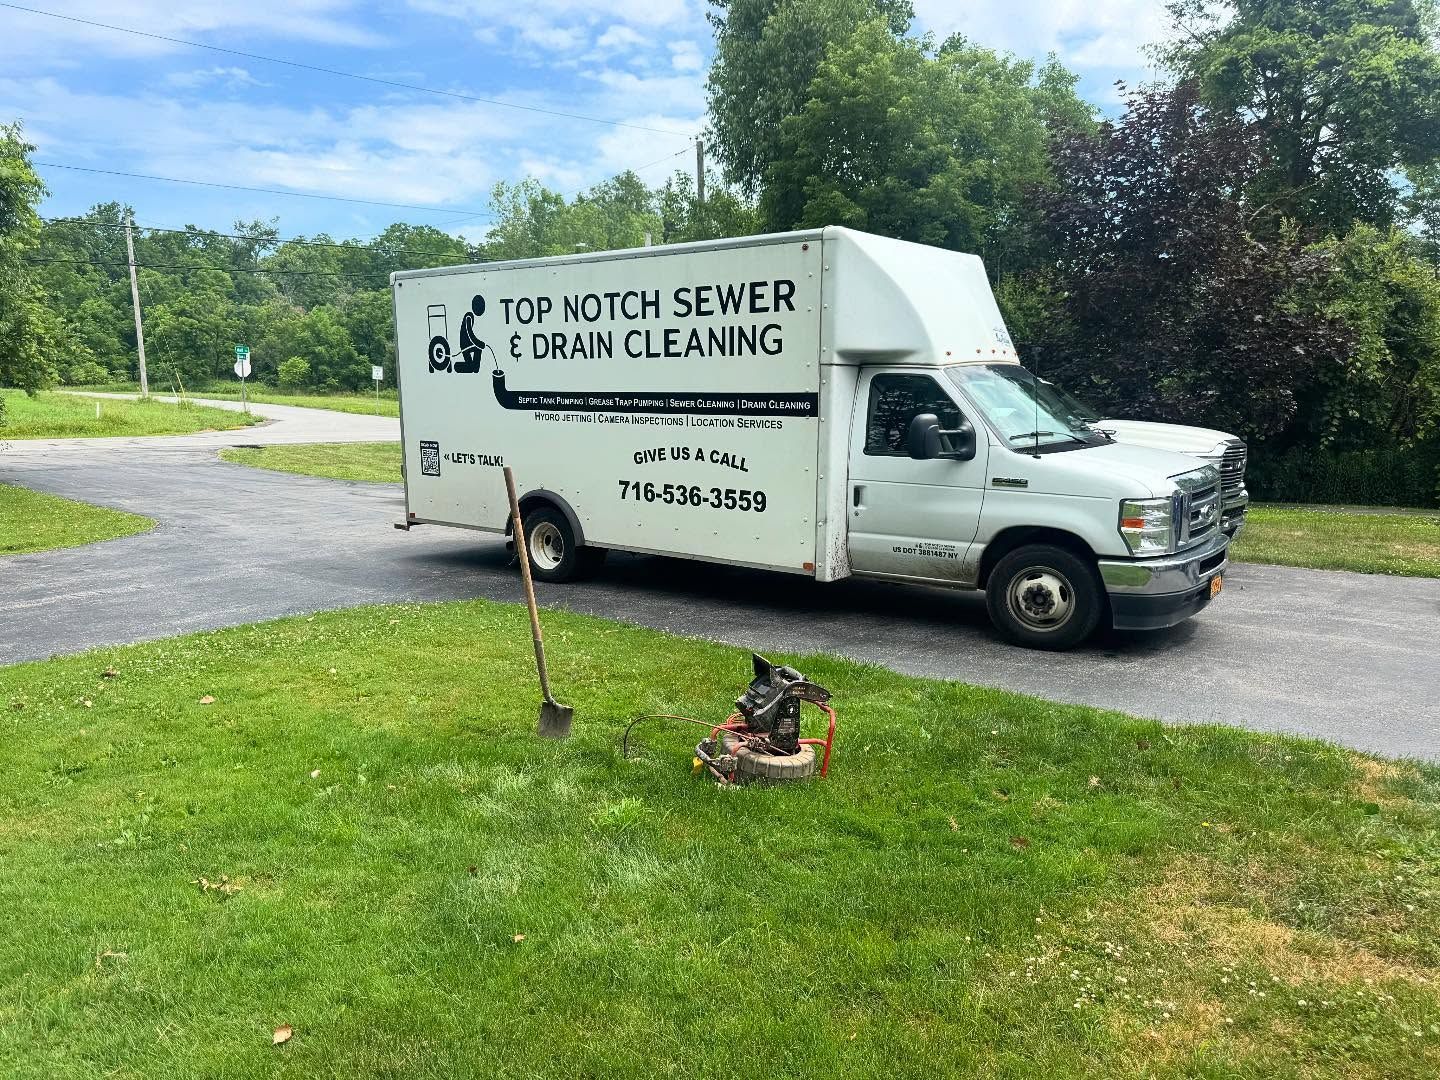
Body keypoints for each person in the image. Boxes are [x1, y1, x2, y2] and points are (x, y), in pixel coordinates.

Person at [455, 294, 486, 373]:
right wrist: (478, 343)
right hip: (465, 345)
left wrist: (478, 344)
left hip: (467, 344)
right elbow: (470, 334)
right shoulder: (468, 316)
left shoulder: (471, 316)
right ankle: (456, 366)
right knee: (477, 350)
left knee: (474, 368)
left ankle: (474, 367)